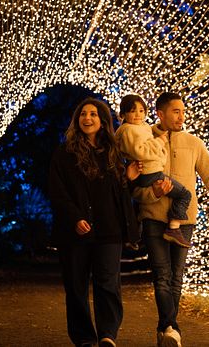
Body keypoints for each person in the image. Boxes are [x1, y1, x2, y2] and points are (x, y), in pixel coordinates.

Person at [132, 92, 209, 347]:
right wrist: (153, 193)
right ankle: (172, 327)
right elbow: (133, 188)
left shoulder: (193, 143)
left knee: (176, 277)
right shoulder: (143, 141)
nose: (181, 116)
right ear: (160, 114)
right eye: (175, 111)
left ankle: (166, 328)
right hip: (153, 218)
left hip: (184, 222)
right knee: (162, 274)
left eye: (183, 111)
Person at [48, 98, 141, 347]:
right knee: (76, 287)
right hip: (75, 232)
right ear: (77, 121)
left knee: (108, 284)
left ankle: (108, 334)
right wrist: (75, 218)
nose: (87, 118)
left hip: (109, 230)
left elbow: (118, 195)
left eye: (93, 114)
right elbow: (58, 192)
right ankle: (84, 338)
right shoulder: (64, 153)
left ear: (102, 121)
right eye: (83, 114)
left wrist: (129, 179)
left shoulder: (112, 153)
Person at [115, 94, 192, 248]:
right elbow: (141, 151)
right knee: (184, 194)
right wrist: (159, 142)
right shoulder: (128, 130)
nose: (138, 115)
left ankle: (134, 235)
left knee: (138, 206)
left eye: (141, 111)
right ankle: (174, 228)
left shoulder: (141, 127)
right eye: (133, 111)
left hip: (151, 170)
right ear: (123, 114)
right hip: (150, 172)